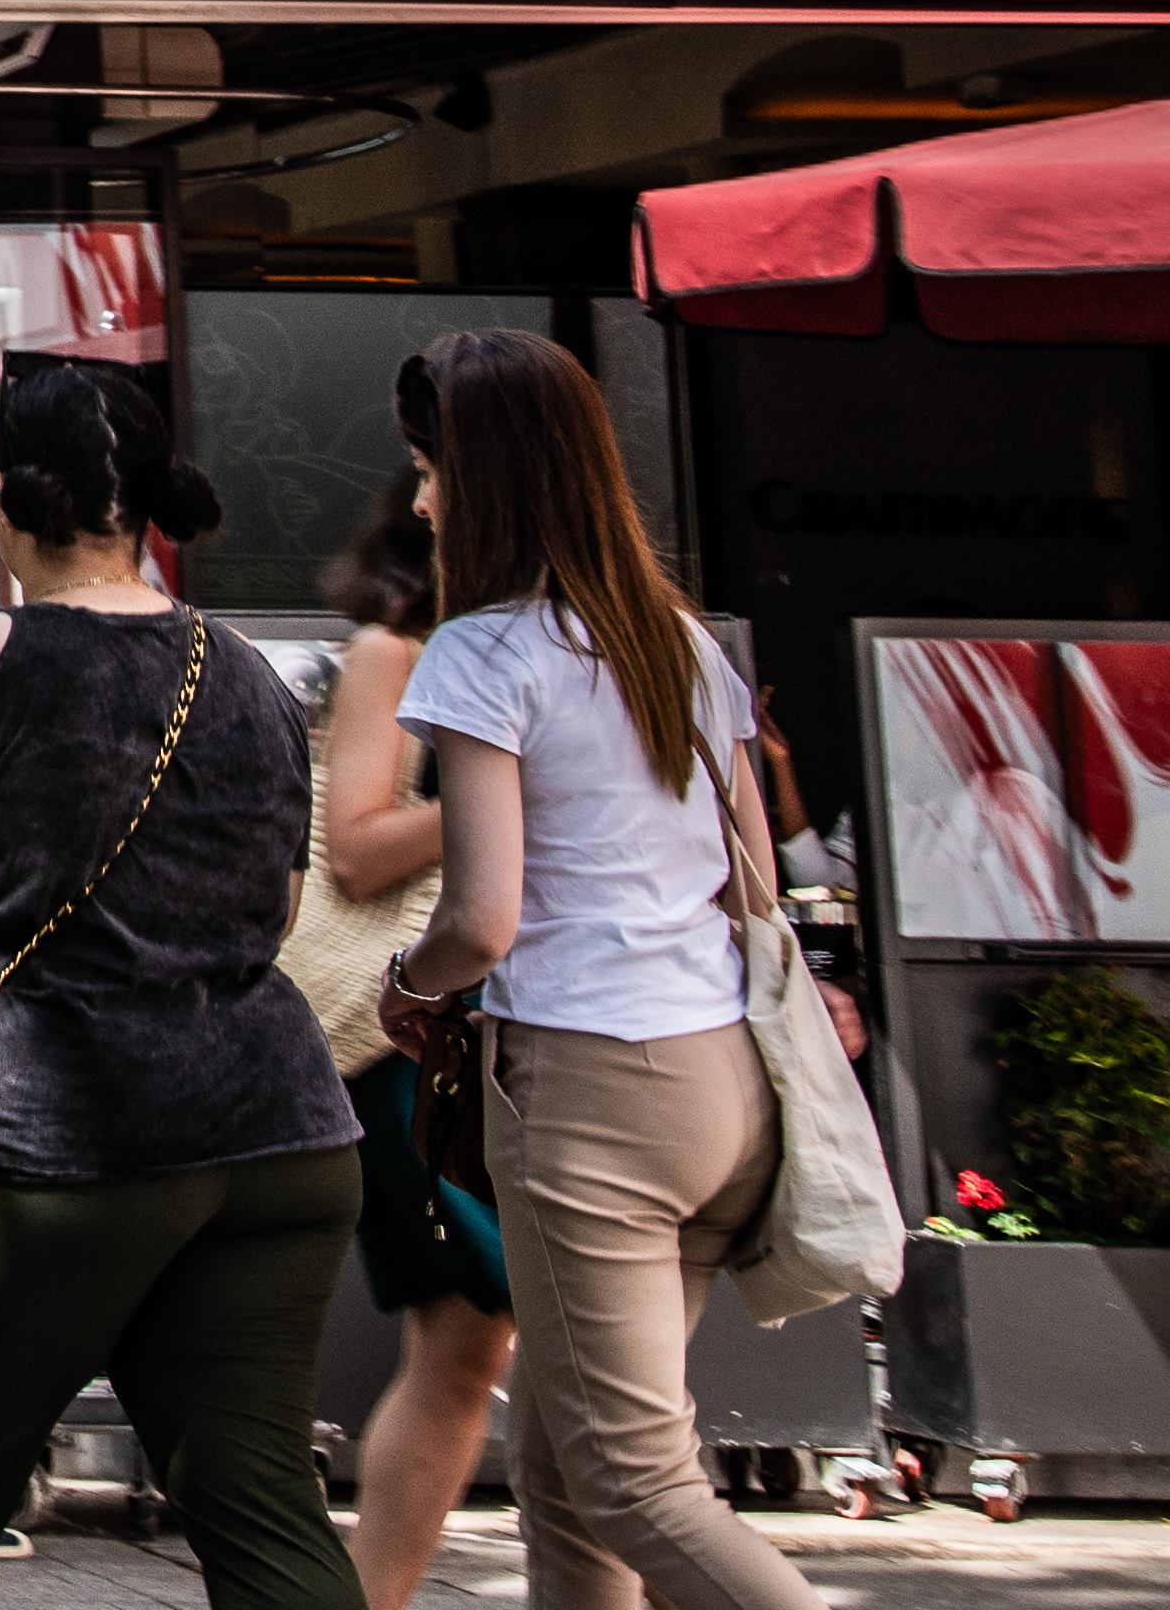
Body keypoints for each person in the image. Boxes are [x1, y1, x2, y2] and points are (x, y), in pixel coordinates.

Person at [0, 362, 357, 1610]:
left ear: (3, 496)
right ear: (149, 502)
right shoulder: (254, 677)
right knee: (267, 1512)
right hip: (275, 1135)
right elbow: (272, 910)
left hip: (36, 1155)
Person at [376, 329, 826, 1610]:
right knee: (570, 1470)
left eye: (431, 468)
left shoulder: (485, 656)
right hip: (722, 1081)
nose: (419, 501)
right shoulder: (682, 648)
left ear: (492, 478)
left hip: (587, 1091)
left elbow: (482, 917)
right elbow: (753, 883)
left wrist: (407, 985)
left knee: (635, 1480)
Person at [290, 472, 508, 1610]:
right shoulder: (395, 650)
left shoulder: (521, 652)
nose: (438, 499)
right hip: (402, 1040)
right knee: (473, 1329)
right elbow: (356, 850)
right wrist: (505, 783)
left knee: (482, 1339)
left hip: (493, 1035)